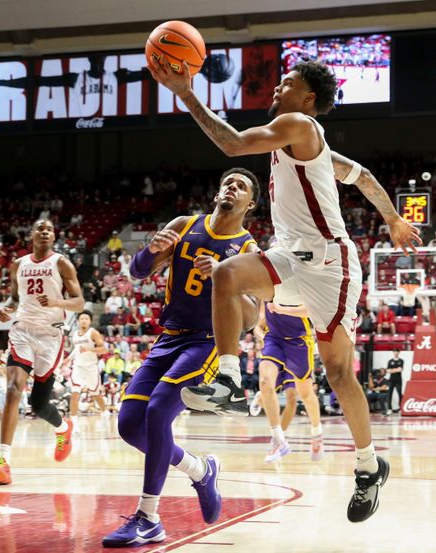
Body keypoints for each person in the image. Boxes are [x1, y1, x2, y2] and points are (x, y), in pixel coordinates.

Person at [150, 57, 420, 522]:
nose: (277, 87)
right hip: (292, 256)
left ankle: (368, 465)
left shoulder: (297, 123)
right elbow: (363, 176)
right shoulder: (304, 143)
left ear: (308, 98)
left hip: (329, 266)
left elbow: (232, 143)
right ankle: (231, 379)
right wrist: (391, 216)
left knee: (338, 373)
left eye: (288, 82)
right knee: (227, 275)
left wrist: (185, 92)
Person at [102, 168, 259, 547]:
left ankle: (148, 517)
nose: (231, 187)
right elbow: (138, 272)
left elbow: (252, 319)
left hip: (206, 343)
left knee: (158, 412)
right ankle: (200, 470)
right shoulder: (186, 224)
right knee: (129, 426)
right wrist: (151, 250)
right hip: (168, 338)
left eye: (241, 186)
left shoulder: (249, 250)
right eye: (227, 182)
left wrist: (225, 278)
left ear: (250, 204)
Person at [0, 219, 84, 486]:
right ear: (31, 235)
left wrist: (56, 301)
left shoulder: (61, 263)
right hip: (22, 329)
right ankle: (2, 461)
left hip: (50, 334)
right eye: (39, 228)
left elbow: (79, 302)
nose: (44, 232)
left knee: (38, 405)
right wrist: (7, 308)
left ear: (54, 236)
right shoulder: (18, 264)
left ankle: (64, 428)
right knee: (12, 389)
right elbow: (14, 298)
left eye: (49, 229)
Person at [250, 285, 324, 463]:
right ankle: (278, 440)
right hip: (273, 339)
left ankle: (317, 433)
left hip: (299, 341)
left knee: (305, 394)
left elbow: (310, 310)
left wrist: (281, 309)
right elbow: (259, 322)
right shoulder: (266, 285)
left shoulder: (301, 280)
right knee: (266, 382)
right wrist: (261, 336)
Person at [61, 311, 108, 431]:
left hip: (91, 367)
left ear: (90, 321)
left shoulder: (93, 333)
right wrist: (68, 359)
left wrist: (89, 349)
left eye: (86, 318)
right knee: (75, 392)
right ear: (78, 321)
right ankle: (74, 422)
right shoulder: (75, 334)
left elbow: (104, 349)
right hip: (78, 367)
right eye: (82, 318)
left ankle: (104, 411)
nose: (84, 320)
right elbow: (76, 350)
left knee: (95, 394)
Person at [386, 349, 404, 414]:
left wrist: (392, 370)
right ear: (393, 352)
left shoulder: (401, 361)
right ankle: (389, 408)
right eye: (394, 352)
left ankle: (401, 408)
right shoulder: (390, 361)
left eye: (397, 352)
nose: (395, 353)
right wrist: (396, 369)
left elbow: (400, 369)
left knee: (399, 394)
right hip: (391, 380)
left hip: (398, 380)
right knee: (389, 394)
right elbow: (387, 370)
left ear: (399, 352)